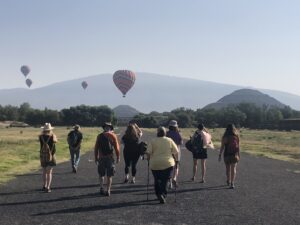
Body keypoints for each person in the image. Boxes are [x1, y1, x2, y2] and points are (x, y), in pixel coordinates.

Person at [146, 126, 179, 204]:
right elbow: (176, 151)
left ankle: (158, 194)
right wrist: (176, 160)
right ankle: (163, 194)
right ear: (165, 133)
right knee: (165, 179)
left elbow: (148, 153)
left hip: (155, 163)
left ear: (157, 132)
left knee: (157, 179)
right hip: (168, 163)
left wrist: (149, 160)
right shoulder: (169, 140)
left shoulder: (153, 141)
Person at [94, 122, 120, 196]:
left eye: (108, 127)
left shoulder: (100, 136)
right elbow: (116, 148)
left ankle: (105, 189)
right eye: (107, 127)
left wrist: (96, 158)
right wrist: (118, 157)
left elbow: (96, 148)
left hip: (105, 157)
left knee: (105, 175)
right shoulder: (113, 136)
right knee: (106, 175)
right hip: (107, 158)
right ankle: (105, 189)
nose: (107, 128)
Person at [219, 124, 240, 189]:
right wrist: (239, 155)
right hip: (234, 155)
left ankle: (228, 180)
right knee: (233, 169)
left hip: (227, 154)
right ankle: (232, 183)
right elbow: (238, 147)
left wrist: (220, 154)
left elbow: (222, 147)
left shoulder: (225, 137)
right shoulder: (236, 136)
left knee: (227, 169)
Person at [39, 123, 57, 193]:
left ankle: (44, 185)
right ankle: (48, 187)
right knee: (49, 172)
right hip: (51, 156)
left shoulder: (40, 137)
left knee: (44, 171)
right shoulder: (52, 136)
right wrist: (53, 135)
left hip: (43, 155)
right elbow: (56, 141)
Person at [166, 120, 183, 188]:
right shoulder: (178, 133)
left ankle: (169, 182)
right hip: (177, 151)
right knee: (176, 166)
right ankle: (175, 178)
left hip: (168, 152)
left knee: (169, 167)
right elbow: (181, 143)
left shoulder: (167, 133)